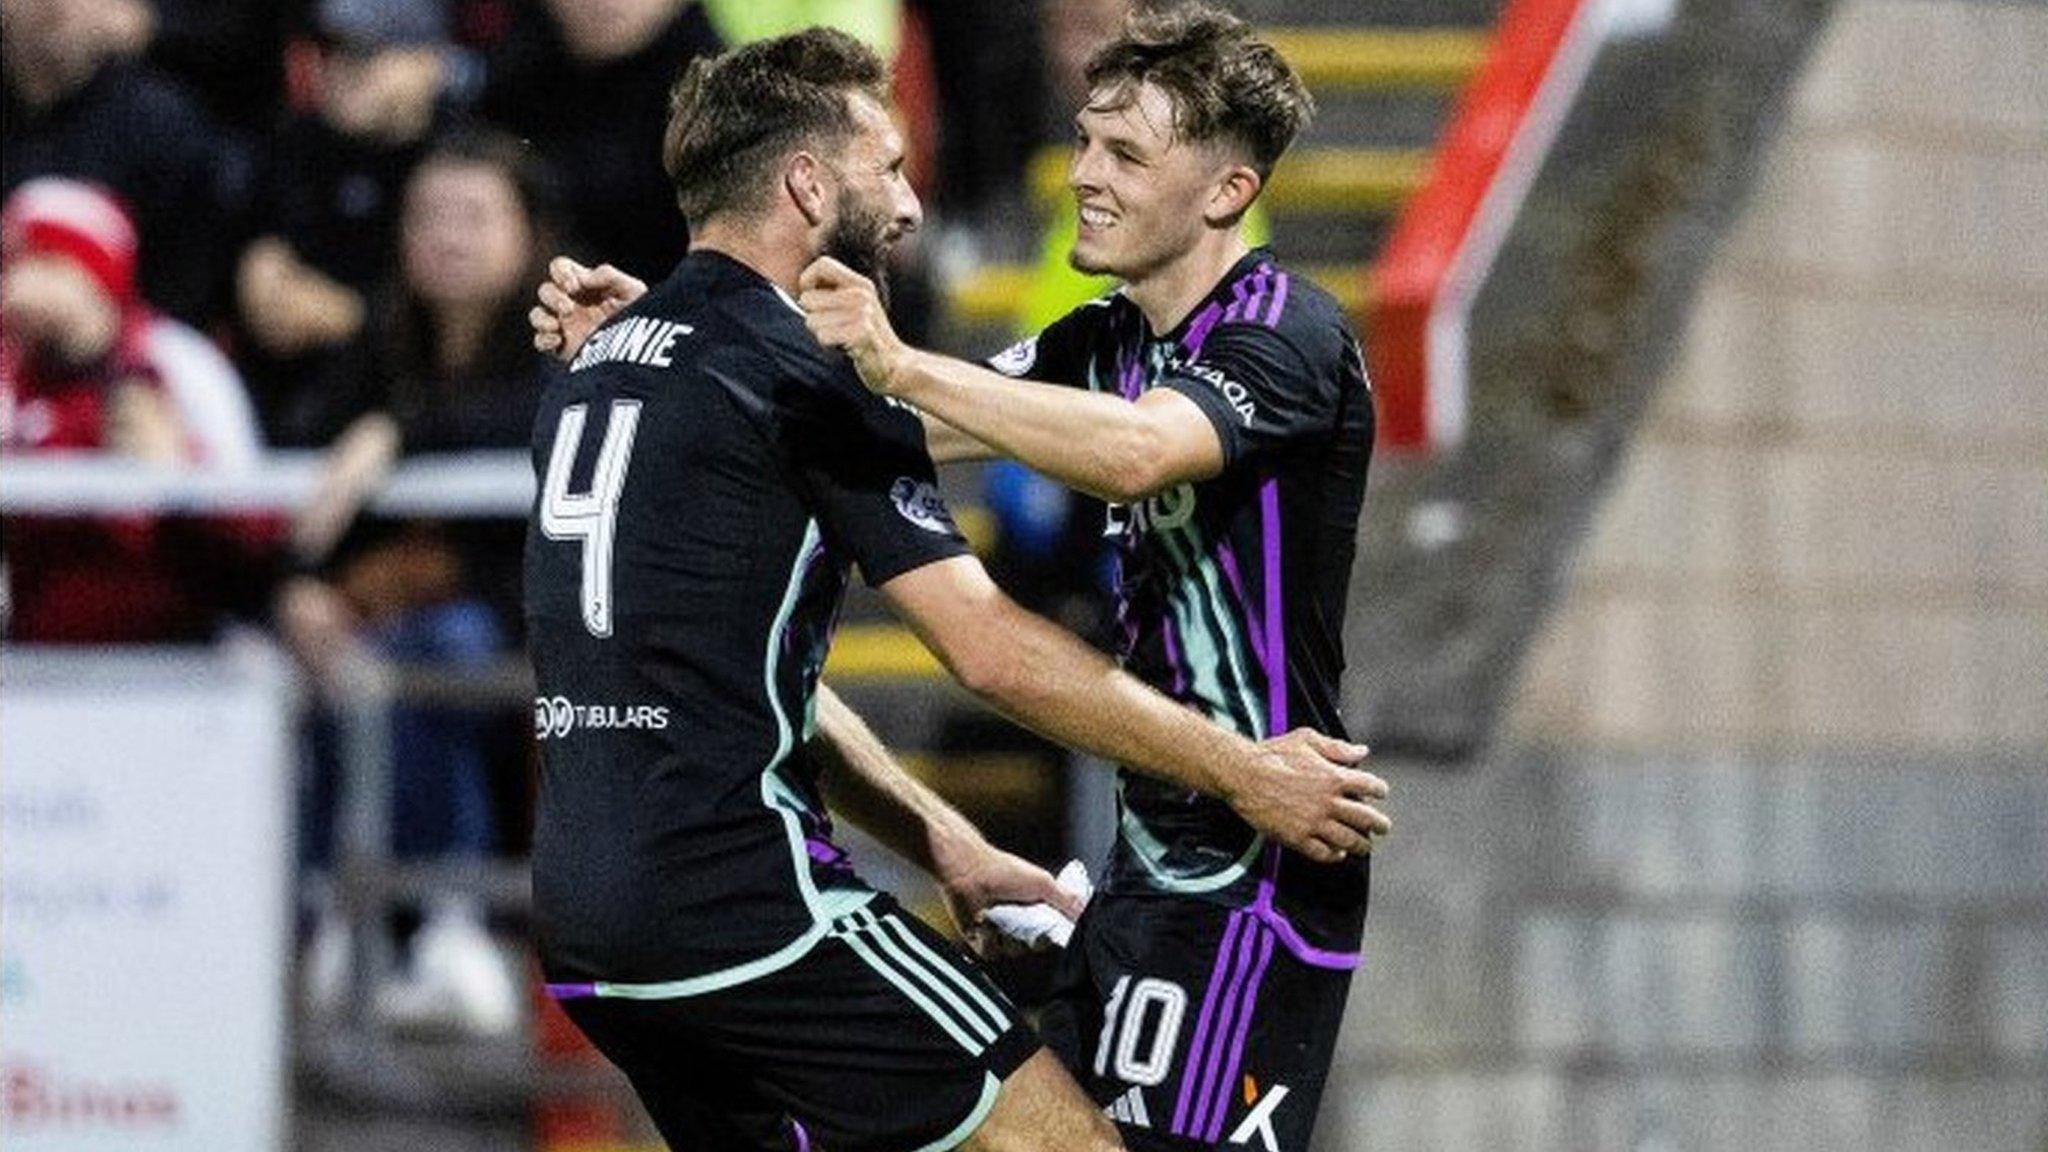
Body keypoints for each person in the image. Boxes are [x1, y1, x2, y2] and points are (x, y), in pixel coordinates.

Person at [523, 28, 1387, 1152]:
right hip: (1152, 855)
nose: (1082, 173)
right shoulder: (1101, 339)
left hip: (1256, 857)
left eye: (1124, 153)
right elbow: (847, 421)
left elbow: (1132, 451)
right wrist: (695, 342)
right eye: (1083, 141)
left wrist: (876, 361)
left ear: (1227, 189)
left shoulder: (1286, 332)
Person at [0, 177, 273, 643]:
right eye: (12, 267)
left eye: (45, 265)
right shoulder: (7, 374)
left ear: (96, 274)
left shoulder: (179, 362)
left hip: (172, 657)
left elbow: (259, 529)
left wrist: (184, 469)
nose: (18, 289)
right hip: (33, 660)